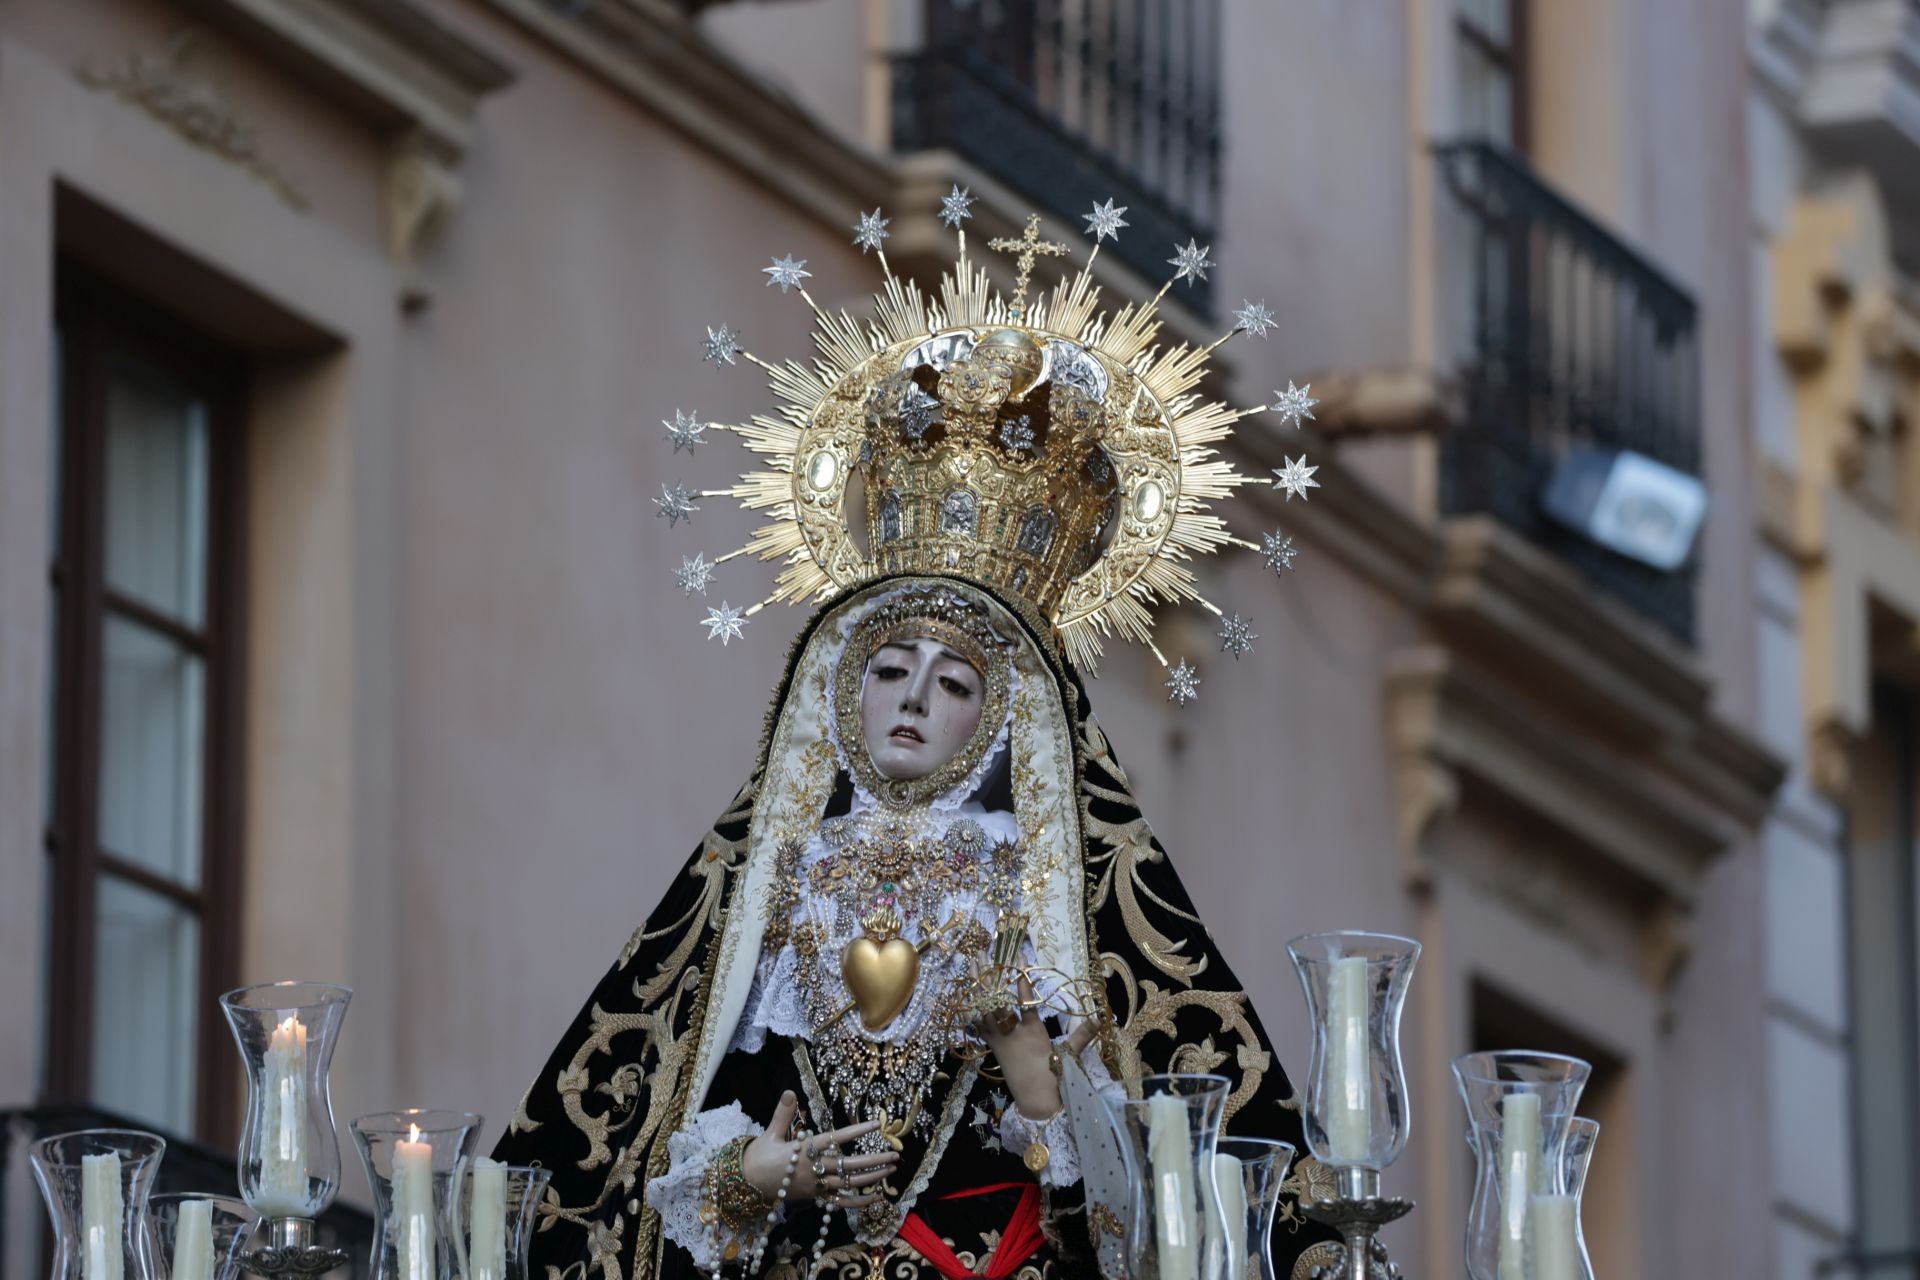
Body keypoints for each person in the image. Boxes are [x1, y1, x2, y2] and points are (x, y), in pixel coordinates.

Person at [494, 203, 1343, 1280]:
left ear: (1000, 716)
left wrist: (1029, 1060)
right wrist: (762, 1174)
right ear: (841, 695)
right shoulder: (773, 883)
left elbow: (1143, 1188)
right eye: (888, 670)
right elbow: (639, 1146)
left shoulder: (1047, 895)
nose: (911, 699)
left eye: (952, 682)